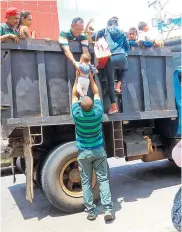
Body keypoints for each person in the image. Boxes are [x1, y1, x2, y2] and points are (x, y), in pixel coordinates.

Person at [71, 73, 113, 221]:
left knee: (86, 182)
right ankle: (108, 209)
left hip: (84, 154)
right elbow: (96, 92)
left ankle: (90, 211)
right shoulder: (97, 113)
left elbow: (74, 95)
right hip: (99, 152)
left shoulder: (77, 114)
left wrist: (77, 79)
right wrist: (91, 78)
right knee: (103, 180)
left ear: (81, 107)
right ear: (92, 106)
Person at [92, 16, 129, 114]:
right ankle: (119, 85)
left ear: (108, 23)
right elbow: (127, 46)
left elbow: (93, 37)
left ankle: (113, 106)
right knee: (125, 69)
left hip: (111, 57)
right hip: (122, 56)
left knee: (110, 83)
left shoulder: (105, 30)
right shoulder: (122, 32)